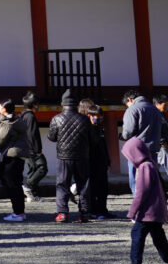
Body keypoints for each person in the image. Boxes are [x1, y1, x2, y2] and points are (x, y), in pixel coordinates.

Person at [121, 136, 168, 264]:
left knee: (137, 234)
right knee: (159, 238)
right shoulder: (150, 164)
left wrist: (133, 211)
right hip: (155, 210)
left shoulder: (144, 167)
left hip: (147, 211)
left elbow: (142, 192)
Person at [47, 93, 90, 222]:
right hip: (82, 156)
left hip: (63, 156)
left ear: (63, 104)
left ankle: (63, 213)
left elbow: (51, 137)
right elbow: (93, 138)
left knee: (62, 184)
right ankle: (84, 214)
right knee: (83, 184)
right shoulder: (84, 119)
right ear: (76, 104)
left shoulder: (56, 118)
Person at [121, 90, 163, 197]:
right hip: (153, 149)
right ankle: (151, 203)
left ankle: (138, 202)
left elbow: (128, 132)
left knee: (136, 178)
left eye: (127, 104)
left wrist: (123, 136)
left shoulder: (133, 109)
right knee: (150, 178)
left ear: (130, 99)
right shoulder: (156, 110)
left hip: (137, 150)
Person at [0, 101, 31, 222]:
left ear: (4, 109)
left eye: (0, 105)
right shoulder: (17, 120)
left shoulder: (8, 123)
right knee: (17, 182)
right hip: (20, 155)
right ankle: (20, 211)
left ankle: (17, 212)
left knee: (11, 183)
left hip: (11, 154)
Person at [79, 100, 111, 220]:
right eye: (95, 116)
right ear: (89, 116)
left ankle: (103, 210)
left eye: (100, 116)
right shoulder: (87, 129)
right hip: (92, 163)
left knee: (104, 188)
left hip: (102, 163)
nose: (98, 118)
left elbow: (104, 147)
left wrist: (108, 160)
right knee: (93, 188)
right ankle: (94, 210)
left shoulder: (100, 129)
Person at [20, 93, 47, 203]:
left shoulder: (23, 115)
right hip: (32, 149)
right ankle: (27, 186)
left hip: (25, 148)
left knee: (32, 170)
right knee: (42, 168)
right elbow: (32, 134)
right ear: (34, 105)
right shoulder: (30, 116)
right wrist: (37, 150)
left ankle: (34, 195)